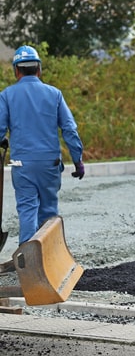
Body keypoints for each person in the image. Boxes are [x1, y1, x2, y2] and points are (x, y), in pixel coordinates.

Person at [0, 45, 85, 245]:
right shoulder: (54, 94)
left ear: (16, 71)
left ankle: (28, 263)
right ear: (39, 69)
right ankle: (50, 259)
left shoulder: (6, 95)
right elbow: (70, 130)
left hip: (21, 164)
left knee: (27, 210)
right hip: (50, 164)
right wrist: (77, 160)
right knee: (48, 213)